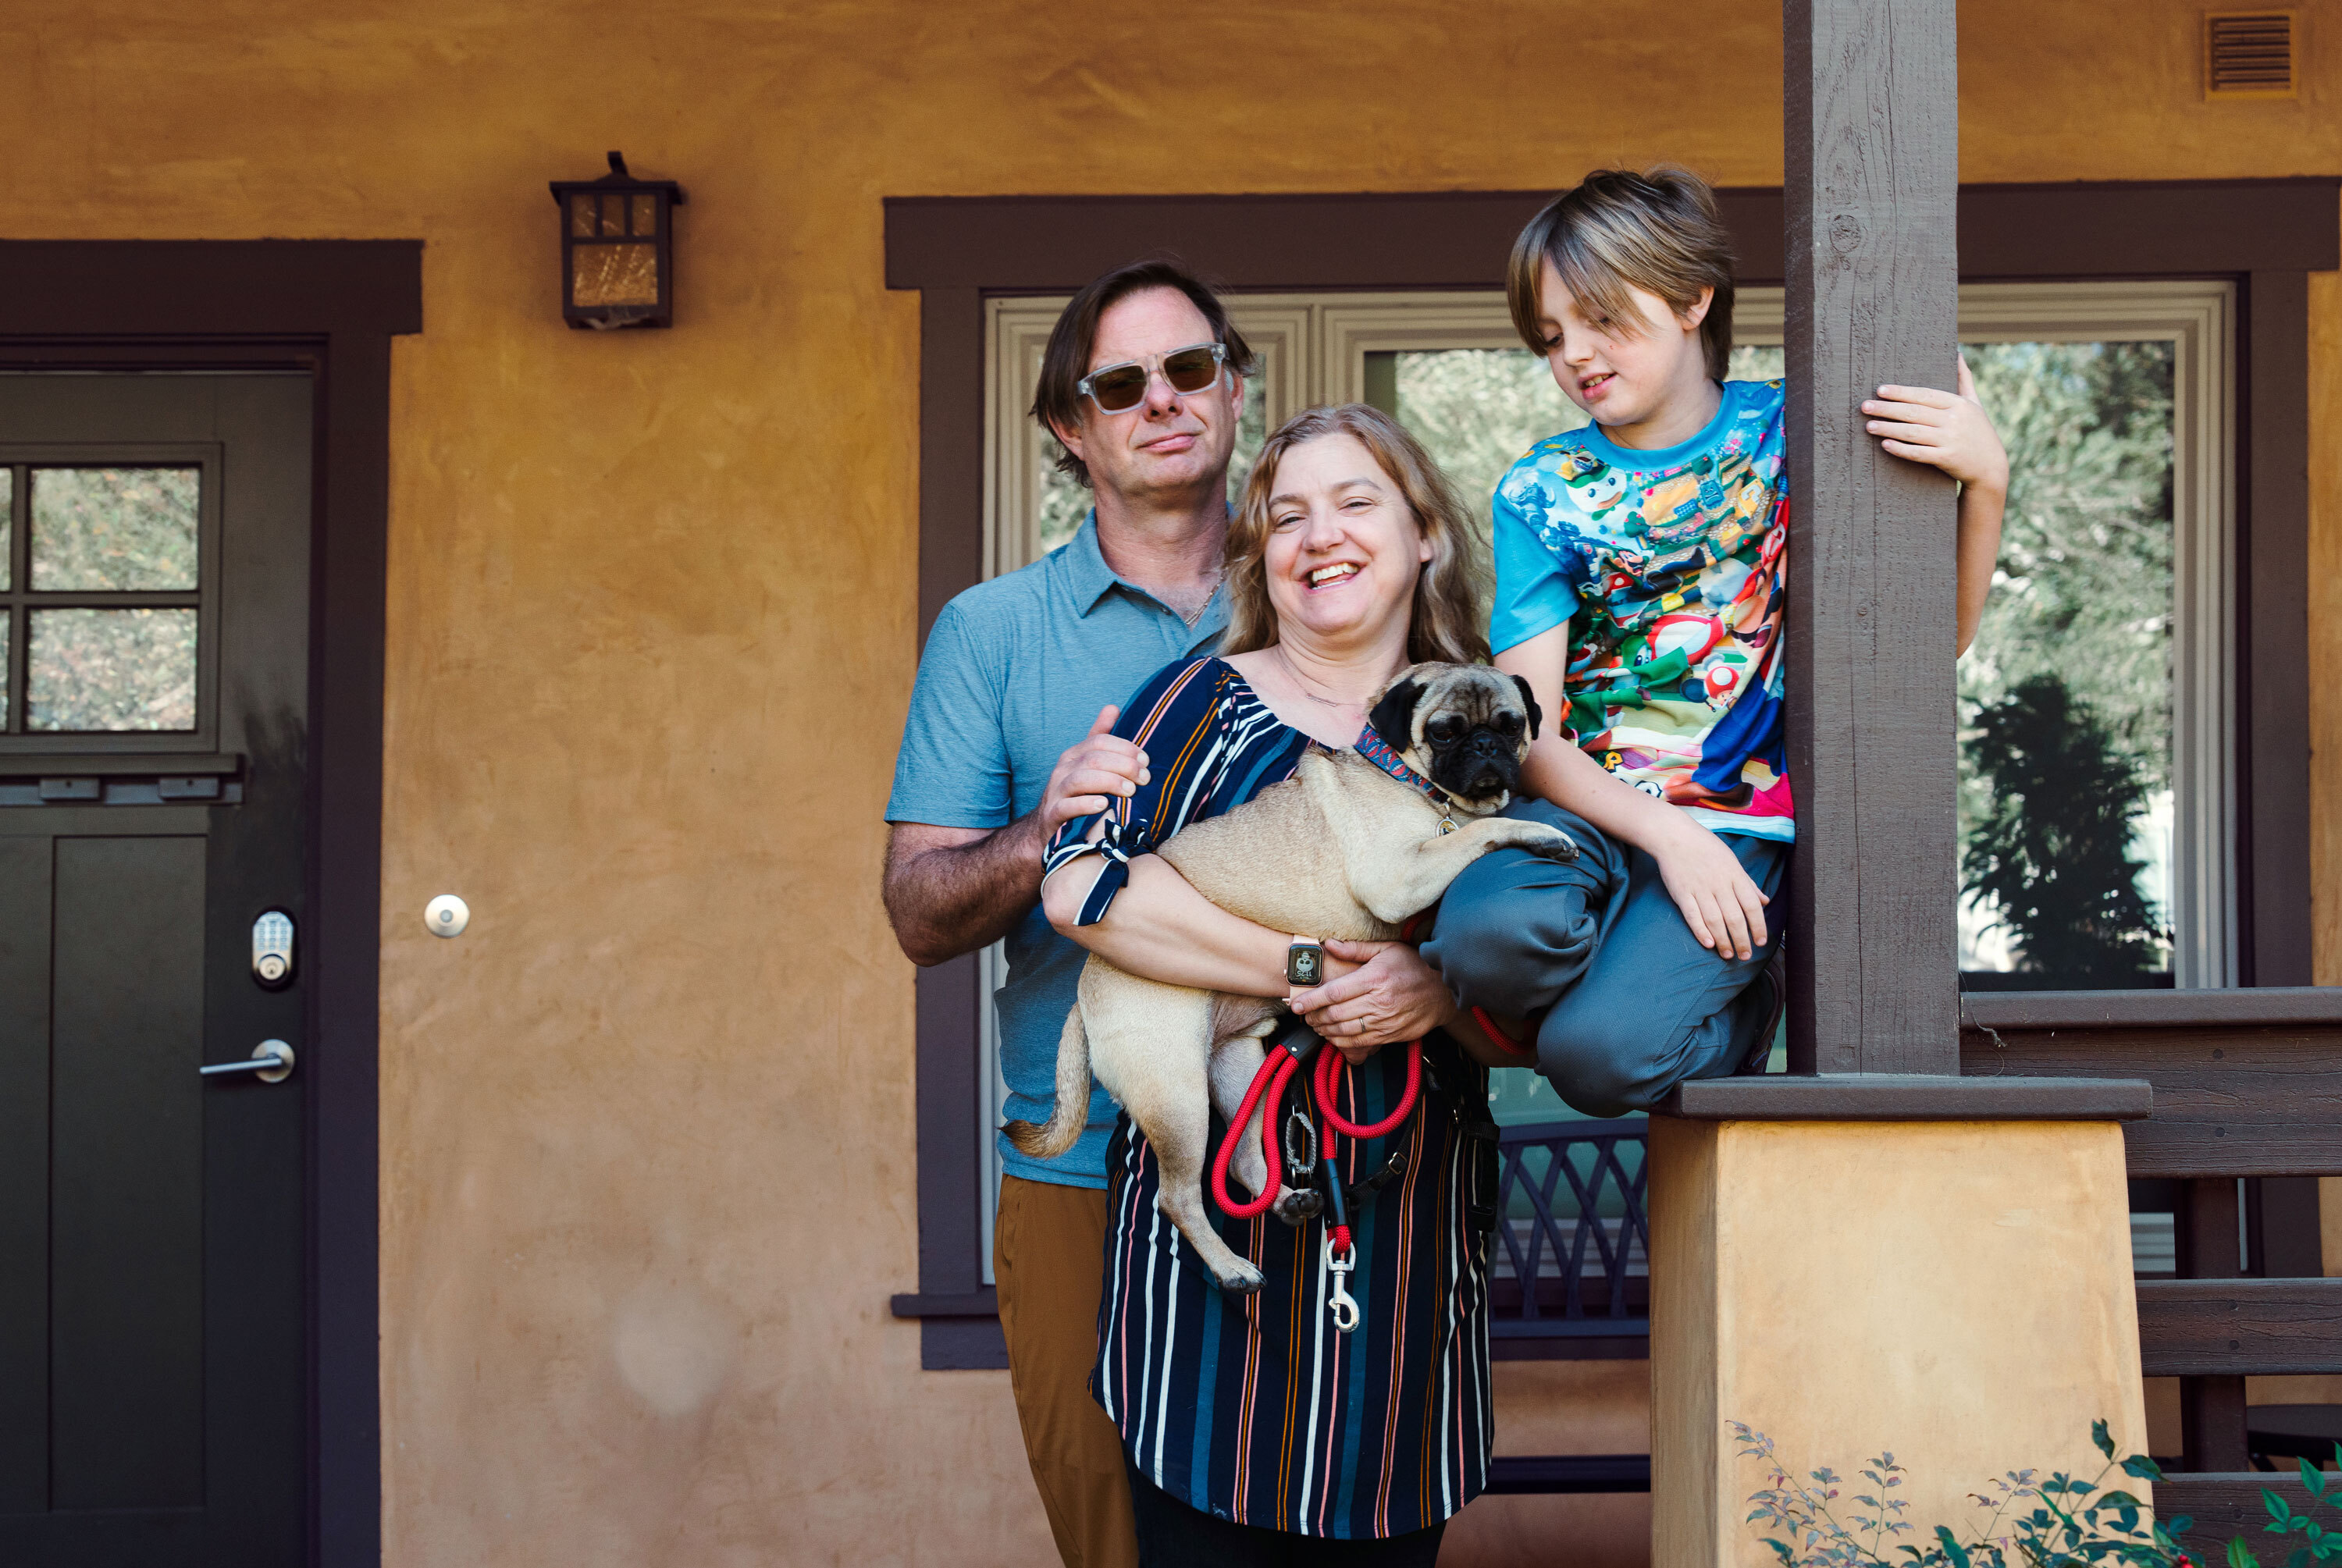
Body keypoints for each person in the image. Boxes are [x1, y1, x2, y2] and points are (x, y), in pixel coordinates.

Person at [1397, 166, 2009, 1112]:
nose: (1577, 356)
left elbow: (1935, 652)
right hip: (1590, 811)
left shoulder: (1795, 436)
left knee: (1595, 1061)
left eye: (1602, 318)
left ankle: (1732, 999)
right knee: (1483, 943)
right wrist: (1662, 834)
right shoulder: (1544, 486)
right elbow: (1531, 728)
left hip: (1740, 820)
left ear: (1692, 298)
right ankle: (1636, 961)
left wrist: (1987, 488)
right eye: (1553, 337)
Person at [1040, 404, 1519, 1563]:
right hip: (1208, 1321)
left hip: (1408, 1262)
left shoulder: (1489, 723)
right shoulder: (1183, 707)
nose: (1322, 535)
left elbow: (1546, 1012)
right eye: (1287, 515)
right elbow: (1085, 893)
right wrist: (1307, 972)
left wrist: (1437, 993)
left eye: (1356, 502)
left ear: (1424, 536)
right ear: (1263, 555)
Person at [882, 259, 1256, 1568]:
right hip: (1079, 1169)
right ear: (1070, 427)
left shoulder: (1328, 589)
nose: (1164, 401)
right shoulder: (992, 631)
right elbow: (919, 911)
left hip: (1310, 1160)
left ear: (1235, 386)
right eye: (1121, 384)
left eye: (1191, 368)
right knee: (1118, 1545)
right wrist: (1045, 832)